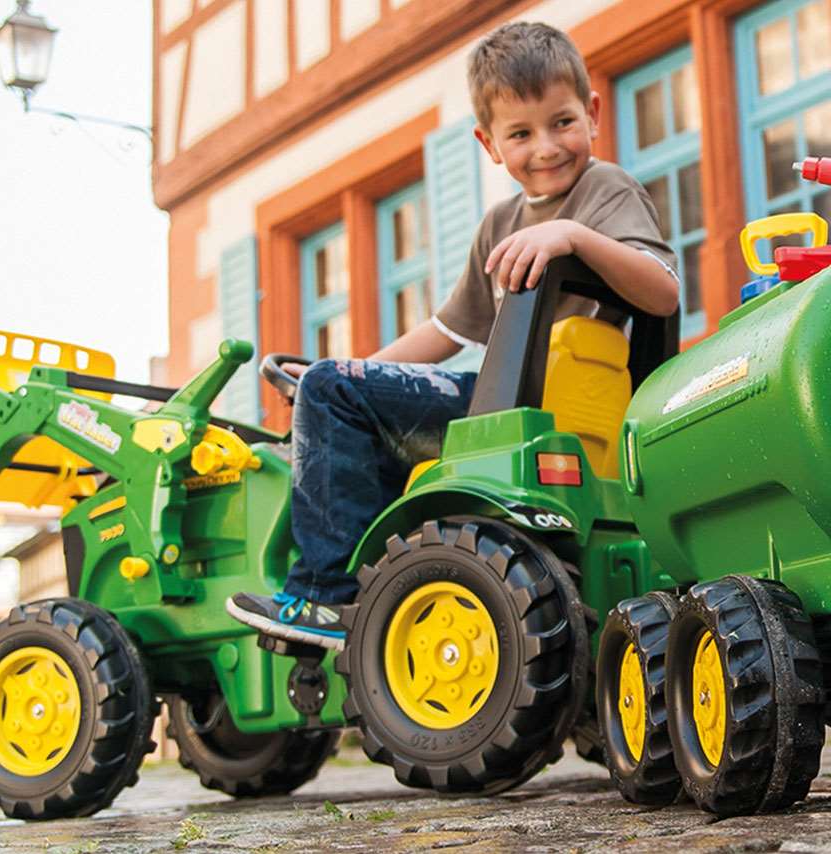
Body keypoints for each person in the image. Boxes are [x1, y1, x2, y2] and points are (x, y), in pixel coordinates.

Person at [226, 21, 680, 651]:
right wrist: (350, 374)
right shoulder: (499, 222)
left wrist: (573, 239)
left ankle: (328, 596)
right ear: (489, 145)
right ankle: (389, 579)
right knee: (337, 393)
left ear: (593, 113)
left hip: (535, 404)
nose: (546, 147)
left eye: (562, 122)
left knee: (336, 393)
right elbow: (445, 330)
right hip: (502, 397)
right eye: (521, 134)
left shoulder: (606, 191)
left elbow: (663, 290)